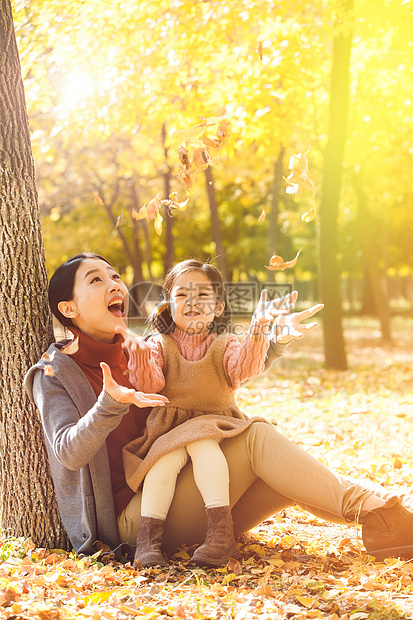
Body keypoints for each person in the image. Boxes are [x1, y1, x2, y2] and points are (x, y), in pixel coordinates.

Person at [24, 253, 413, 566]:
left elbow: (213, 373)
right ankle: (384, 514)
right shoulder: (55, 373)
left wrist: (270, 337)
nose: (114, 285)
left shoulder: (142, 349)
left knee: (287, 474)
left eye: (115, 277)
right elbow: (68, 452)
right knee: (257, 437)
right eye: (96, 280)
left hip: (189, 487)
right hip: (136, 522)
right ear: (69, 308)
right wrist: (109, 403)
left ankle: (387, 519)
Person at [122, 259, 296, 568]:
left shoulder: (225, 344)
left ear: (218, 307)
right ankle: (148, 541)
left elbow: (243, 368)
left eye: (202, 294)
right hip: (169, 429)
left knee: (204, 447)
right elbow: (151, 383)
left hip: (215, 424)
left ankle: (220, 534)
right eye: (181, 294)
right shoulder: (157, 345)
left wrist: (259, 329)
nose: (192, 302)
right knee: (162, 463)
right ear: (168, 305)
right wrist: (137, 355)